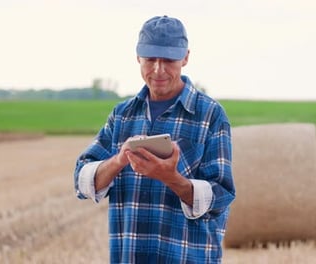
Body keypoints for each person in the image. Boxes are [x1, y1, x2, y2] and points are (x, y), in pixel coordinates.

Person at [74, 15, 235, 263]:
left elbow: (221, 197)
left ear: (186, 57)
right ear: (138, 57)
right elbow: (82, 181)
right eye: (150, 59)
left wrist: (171, 178)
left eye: (169, 60)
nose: (158, 69)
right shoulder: (122, 116)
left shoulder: (211, 115)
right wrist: (119, 160)